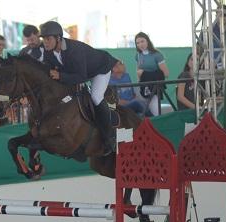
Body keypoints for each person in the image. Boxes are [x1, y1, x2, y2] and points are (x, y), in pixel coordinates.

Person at [40, 20, 118, 154]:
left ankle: (109, 137)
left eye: (48, 38)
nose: (45, 42)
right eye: (44, 39)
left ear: (58, 38)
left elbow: (82, 77)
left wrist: (60, 76)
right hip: (80, 72)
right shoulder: (47, 51)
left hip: (100, 69)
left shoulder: (75, 50)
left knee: (96, 97)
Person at [134, 32, 169, 117]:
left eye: (142, 41)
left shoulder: (157, 55)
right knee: (143, 112)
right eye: (137, 43)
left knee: (155, 113)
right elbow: (138, 71)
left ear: (147, 41)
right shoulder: (138, 55)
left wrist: (145, 74)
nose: (140, 44)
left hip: (154, 88)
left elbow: (166, 73)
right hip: (142, 87)